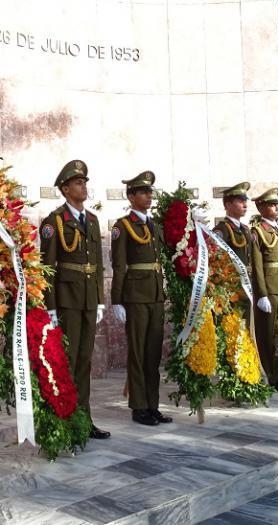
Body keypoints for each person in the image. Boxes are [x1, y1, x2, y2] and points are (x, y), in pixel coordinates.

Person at [39, 160, 109, 439]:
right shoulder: (53, 222)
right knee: (67, 361)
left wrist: (101, 299)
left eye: (85, 182)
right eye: (78, 183)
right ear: (65, 189)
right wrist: (51, 307)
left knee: (84, 360)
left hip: (89, 300)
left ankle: (84, 419)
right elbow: (48, 268)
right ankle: (65, 420)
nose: (84, 187)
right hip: (67, 300)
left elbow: (99, 264)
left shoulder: (91, 220)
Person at [110, 171, 171, 426]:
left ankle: (153, 405)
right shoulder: (122, 227)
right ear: (131, 196)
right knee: (137, 352)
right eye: (143, 192)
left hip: (155, 295)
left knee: (152, 354)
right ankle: (138, 406)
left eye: (150, 192)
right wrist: (117, 300)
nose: (149, 196)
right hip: (135, 297)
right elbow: (119, 266)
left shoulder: (153, 224)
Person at [250, 188, 278, 393]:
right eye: (272, 204)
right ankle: (268, 377)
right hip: (268, 292)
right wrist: (261, 295)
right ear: (260, 207)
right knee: (266, 337)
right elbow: (257, 266)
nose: (277, 208)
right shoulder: (257, 231)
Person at [213, 182, 253, 321]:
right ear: (228, 205)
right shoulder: (221, 230)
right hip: (231, 289)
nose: (245, 205)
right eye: (241, 201)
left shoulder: (246, 229)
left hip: (248, 286)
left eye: (245, 201)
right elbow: (216, 262)